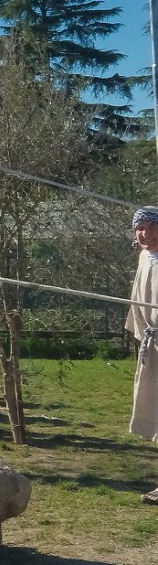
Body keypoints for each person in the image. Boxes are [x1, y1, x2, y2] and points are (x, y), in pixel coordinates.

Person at [124, 208, 158, 501]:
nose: (145, 234)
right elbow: (137, 300)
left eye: (151, 227)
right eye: (140, 228)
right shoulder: (144, 257)